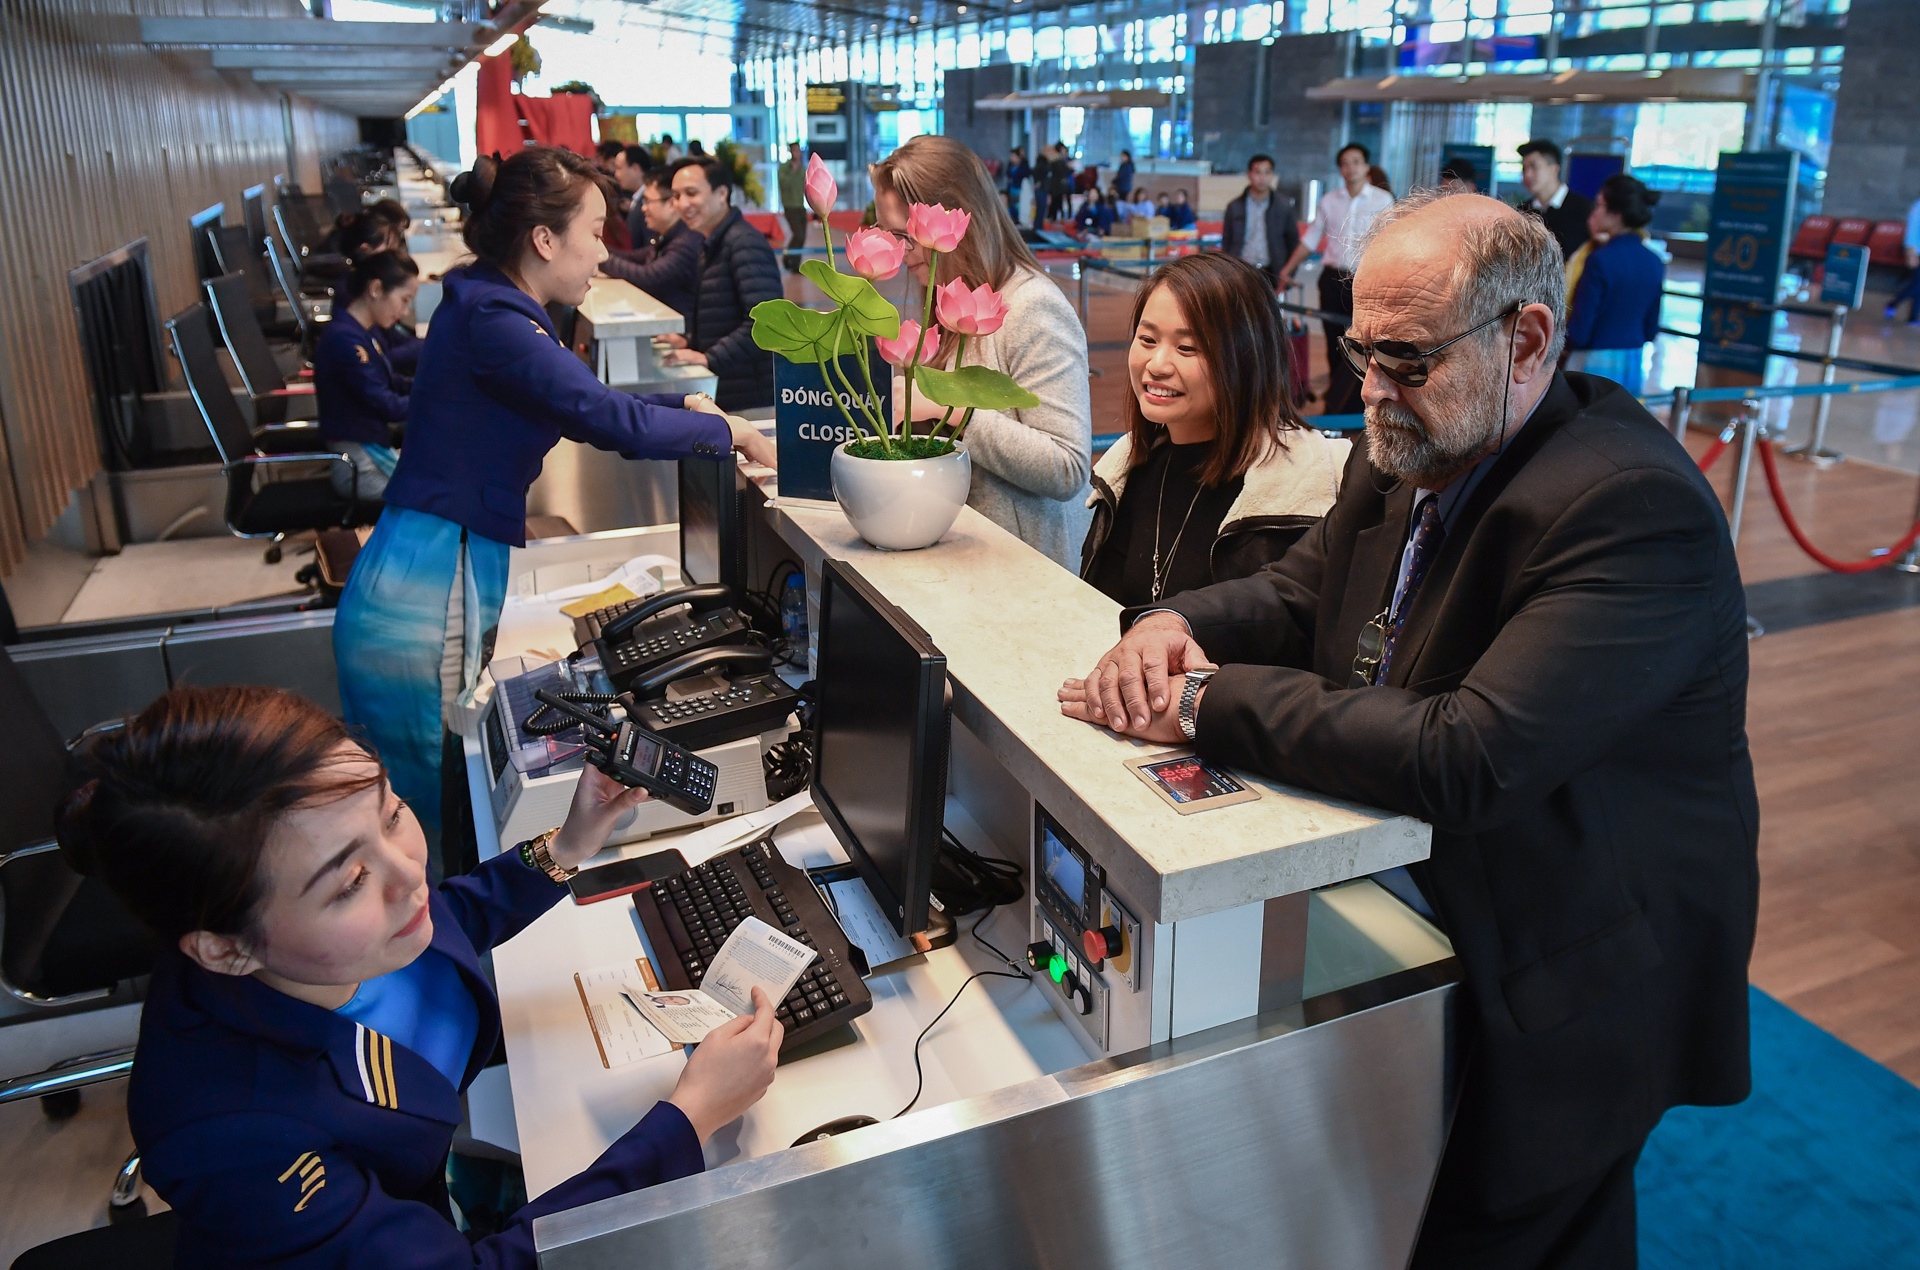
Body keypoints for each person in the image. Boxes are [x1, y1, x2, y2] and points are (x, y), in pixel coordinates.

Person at [1062, 188, 1756, 1268]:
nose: (1370, 391)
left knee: (1515, 1225)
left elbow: (1463, 752)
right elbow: (1300, 594)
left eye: (1406, 360)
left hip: (1566, 967)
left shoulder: (1627, 506)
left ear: (1526, 341)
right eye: (1357, 352)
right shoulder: (1410, 442)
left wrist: (1196, 702)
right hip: (1420, 904)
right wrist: (1175, 620)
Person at [69, 684, 781, 1268]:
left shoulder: (324, 938)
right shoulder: (234, 1141)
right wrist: (689, 1120)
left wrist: (567, 846)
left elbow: (449, 919)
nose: (411, 875)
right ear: (226, 951)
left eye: (392, 812)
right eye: (349, 880)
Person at [334, 147, 776, 852]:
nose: (604, 253)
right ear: (544, 240)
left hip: (430, 564)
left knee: (432, 816)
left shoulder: (491, 299)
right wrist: (728, 433)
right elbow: (604, 417)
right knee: (421, 832)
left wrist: (689, 403)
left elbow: (580, 404)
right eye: (596, 231)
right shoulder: (499, 322)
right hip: (425, 587)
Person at [871, 134, 1094, 568]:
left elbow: (1067, 467)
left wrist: (950, 405)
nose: (900, 253)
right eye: (890, 235)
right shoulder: (942, 294)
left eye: (906, 236)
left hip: (1023, 573)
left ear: (959, 223)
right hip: (958, 556)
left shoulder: (1032, 306)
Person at [1080, 252, 1349, 606]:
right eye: (1147, 340)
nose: (1157, 364)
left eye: (1186, 347)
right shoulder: (1127, 468)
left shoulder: (1300, 491)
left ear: (1246, 355)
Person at [659, 156, 784, 411]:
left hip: (751, 396)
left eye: (691, 193)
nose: (682, 204)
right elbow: (721, 313)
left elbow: (765, 324)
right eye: (676, 195)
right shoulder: (713, 241)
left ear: (722, 193)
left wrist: (709, 357)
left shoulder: (743, 242)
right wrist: (690, 340)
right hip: (729, 389)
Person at [1279, 142, 1396, 416]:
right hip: (1331, 279)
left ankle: (1360, 402)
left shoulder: (1382, 200)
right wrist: (1288, 268)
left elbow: (1390, 240)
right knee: (1336, 342)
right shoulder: (1330, 200)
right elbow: (1310, 238)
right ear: (1340, 169)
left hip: (1366, 280)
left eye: (1356, 161)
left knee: (1364, 342)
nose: (1350, 167)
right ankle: (1337, 401)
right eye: (1345, 163)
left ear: (1366, 167)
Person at [312, 250, 418, 502]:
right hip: (358, 468)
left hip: (368, 453)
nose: (404, 312)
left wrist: (435, 387)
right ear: (376, 289)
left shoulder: (360, 332)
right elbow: (386, 405)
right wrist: (437, 400)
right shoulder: (345, 340)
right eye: (404, 300)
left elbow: (393, 384)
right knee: (435, 500)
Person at [1565, 173, 1665, 395]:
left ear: (1617, 213)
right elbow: (1650, 328)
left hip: (1593, 363)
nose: (1594, 212)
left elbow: (1580, 331)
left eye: (1600, 205)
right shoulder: (1654, 261)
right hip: (1633, 362)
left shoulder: (1599, 260)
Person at [599, 166, 704, 319]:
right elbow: (636, 256)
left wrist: (600, 257)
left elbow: (648, 277)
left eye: (648, 201)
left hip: (677, 333)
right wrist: (598, 249)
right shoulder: (671, 236)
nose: (643, 208)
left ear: (671, 204)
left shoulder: (686, 242)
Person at [1220, 154, 1301, 292]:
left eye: (1267, 172)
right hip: (1241, 271)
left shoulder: (1283, 206)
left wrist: (1288, 273)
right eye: (1257, 172)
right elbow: (1227, 241)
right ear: (1249, 174)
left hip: (1271, 271)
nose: (1262, 178)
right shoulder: (1234, 206)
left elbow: (1293, 242)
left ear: (1272, 175)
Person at [1515, 138, 1593, 261]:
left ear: (1554, 169)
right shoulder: (1521, 212)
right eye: (1524, 169)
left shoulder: (1584, 209)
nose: (1527, 175)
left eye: (1534, 167)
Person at [610, 144, 653, 252]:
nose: (616, 174)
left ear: (635, 168)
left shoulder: (650, 202)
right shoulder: (635, 199)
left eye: (619, 168)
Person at [1884, 194, 1920, 325]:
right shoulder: (1918, 207)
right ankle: (1893, 304)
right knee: (1917, 284)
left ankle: (1913, 316)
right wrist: (1911, 253)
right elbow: (1912, 231)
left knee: (1918, 284)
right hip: (1917, 251)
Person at [777, 141, 809, 271]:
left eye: (798, 150)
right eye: (794, 150)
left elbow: (806, 187)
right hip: (790, 206)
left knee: (802, 237)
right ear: (790, 152)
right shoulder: (784, 168)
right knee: (798, 234)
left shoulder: (803, 168)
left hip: (800, 206)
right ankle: (786, 256)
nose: (797, 153)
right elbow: (784, 184)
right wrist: (793, 171)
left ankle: (796, 265)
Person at [1004, 146, 1030, 220]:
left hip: (1020, 190)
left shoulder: (1023, 166)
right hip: (1011, 190)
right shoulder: (1010, 166)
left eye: (1013, 156)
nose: (1011, 158)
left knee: (1019, 207)